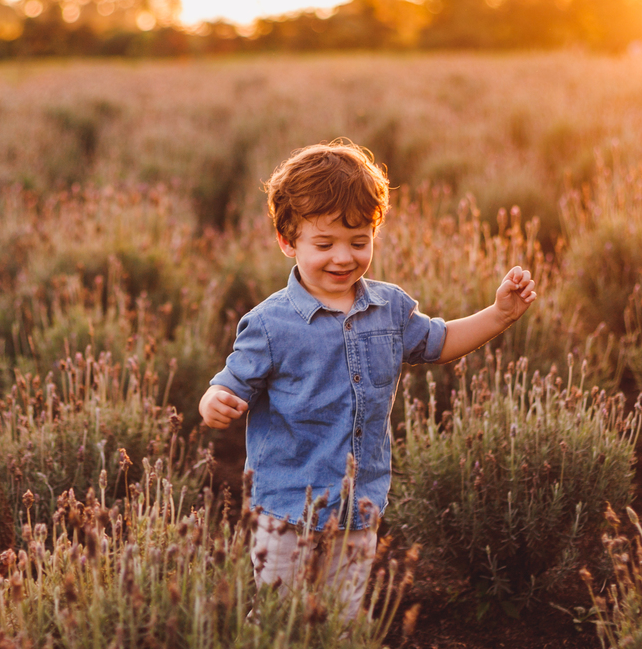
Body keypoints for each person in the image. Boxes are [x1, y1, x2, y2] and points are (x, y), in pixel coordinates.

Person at [198, 139, 537, 620]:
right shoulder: (270, 324)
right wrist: (215, 401)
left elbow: (439, 342)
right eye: (325, 244)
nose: (343, 257)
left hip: (359, 505)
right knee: (277, 621)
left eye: (359, 242)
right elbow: (231, 383)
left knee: (342, 618)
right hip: (286, 509)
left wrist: (499, 315)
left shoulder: (390, 307)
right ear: (287, 241)